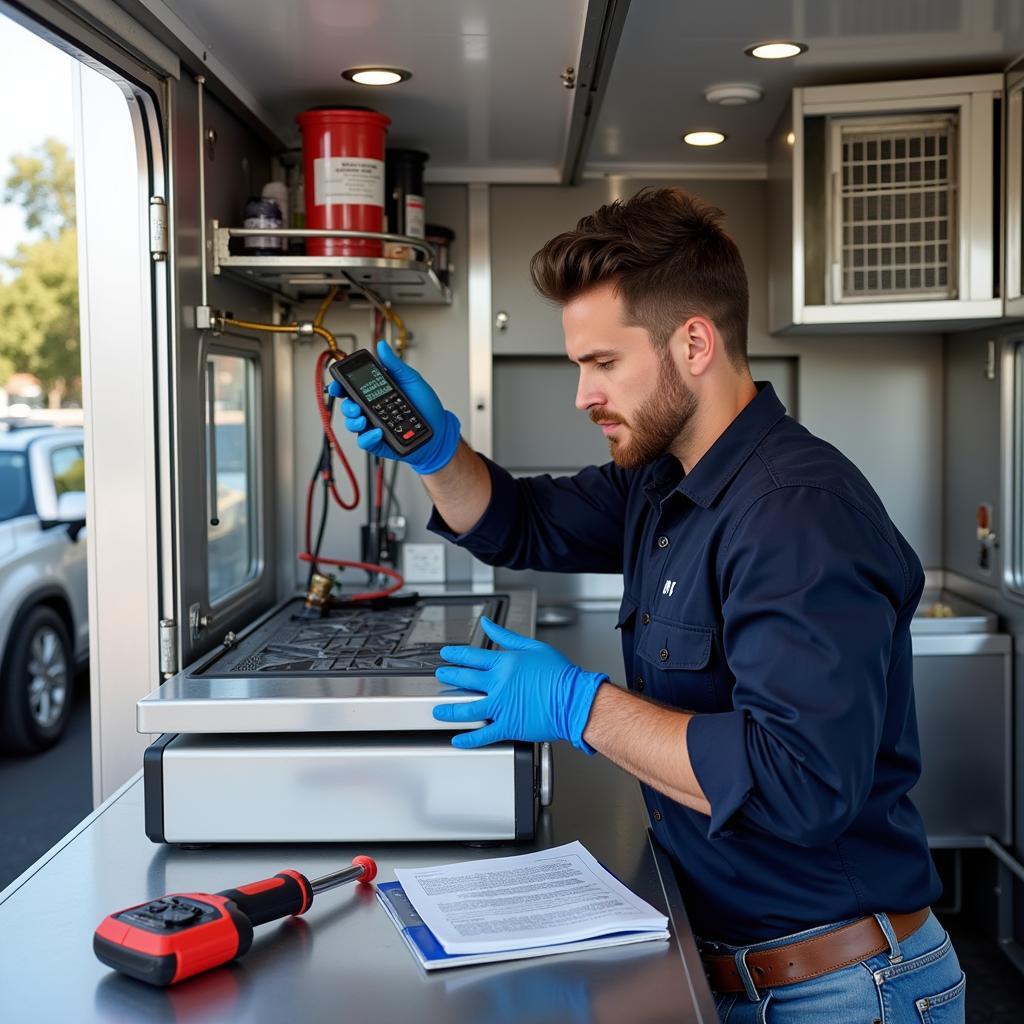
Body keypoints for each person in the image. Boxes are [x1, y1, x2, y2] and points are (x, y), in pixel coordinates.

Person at [329, 187, 964, 1022]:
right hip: (733, 967)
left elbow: (800, 781)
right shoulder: (660, 484)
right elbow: (520, 523)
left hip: (843, 990)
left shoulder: (797, 512)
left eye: (602, 363)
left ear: (693, 342)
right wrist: (434, 450)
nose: (583, 395)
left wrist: (579, 705)